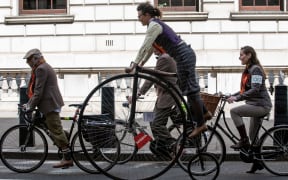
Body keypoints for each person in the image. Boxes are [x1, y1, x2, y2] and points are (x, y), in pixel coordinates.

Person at [125, 1, 208, 138]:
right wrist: (141, 64)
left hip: (183, 56)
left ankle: (201, 123)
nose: (138, 18)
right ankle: (204, 113)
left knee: (191, 90)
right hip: (182, 55)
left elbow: (145, 46)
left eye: (140, 16)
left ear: (147, 15)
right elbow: (150, 48)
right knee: (186, 87)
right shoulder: (154, 25)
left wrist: (134, 64)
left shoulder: (154, 25)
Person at [22, 48, 73, 168]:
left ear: (35, 58)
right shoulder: (42, 67)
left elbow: (38, 92)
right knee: (42, 124)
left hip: (49, 105)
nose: (27, 63)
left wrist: (30, 106)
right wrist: (29, 103)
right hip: (47, 104)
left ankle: (67, 158)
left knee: (56, 131)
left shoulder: (41, 69)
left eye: (29, 60)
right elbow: (37, 91)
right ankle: (65, 140)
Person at [227, 46, 272, 173]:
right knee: (254, 136)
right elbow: (245, 90)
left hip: (261, 105)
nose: (239, 57)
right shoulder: (249, 69)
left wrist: (236, 98)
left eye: (241, 55)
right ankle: (257, 162)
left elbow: (255, 89)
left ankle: (243, 140)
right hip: (255, 104)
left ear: (249, 55)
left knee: (234, 111)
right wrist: (232, 95)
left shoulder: (255, 69)